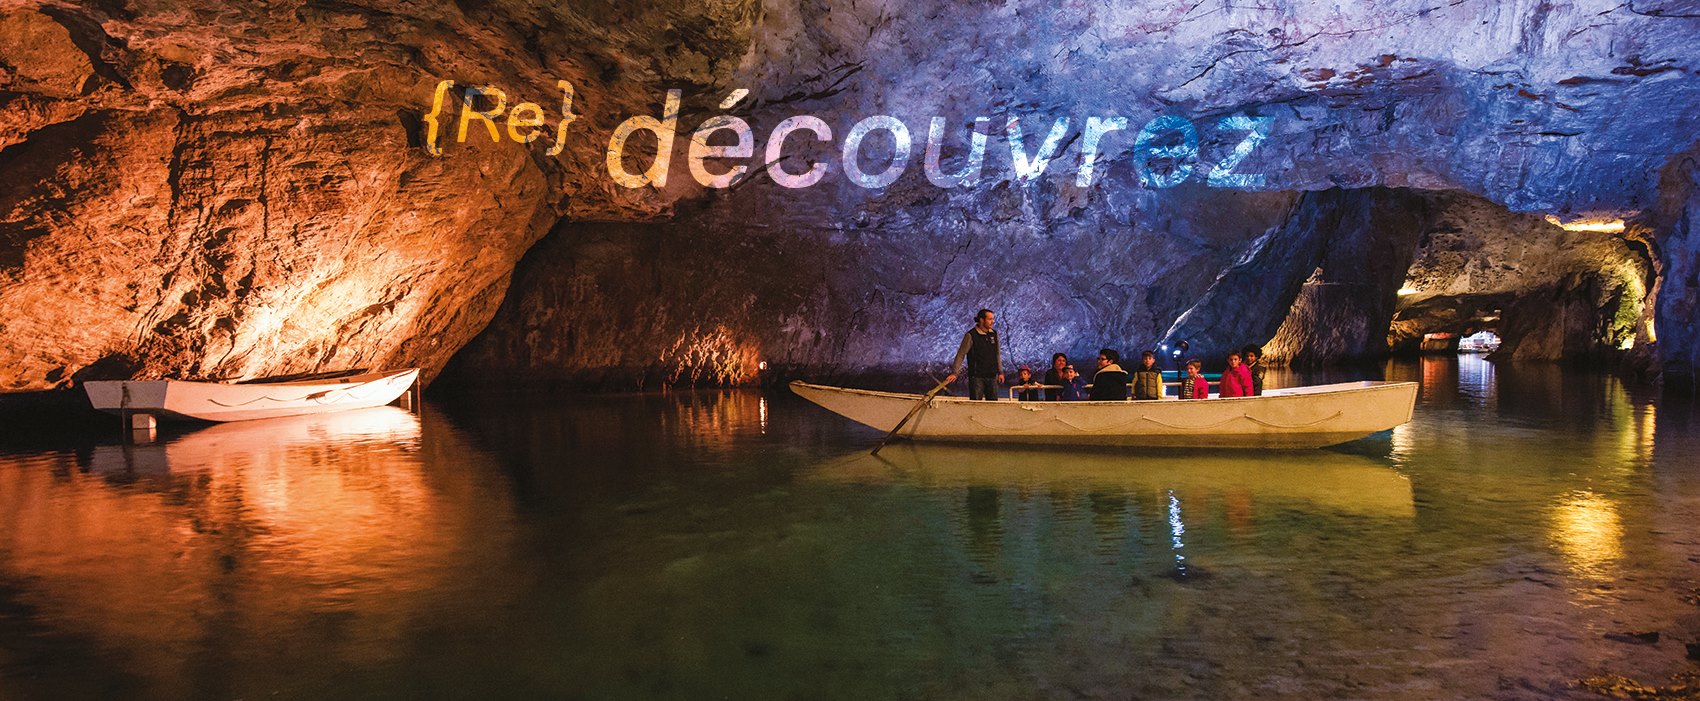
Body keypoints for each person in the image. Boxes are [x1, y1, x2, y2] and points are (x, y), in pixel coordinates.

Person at [945, 309, 1004, 401]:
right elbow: (961, 355)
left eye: (993, 319)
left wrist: (1000, 372)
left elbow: (997, 354)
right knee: (976, 403)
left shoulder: (994, 334)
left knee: (993, 404)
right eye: (990, 319)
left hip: (992, 376)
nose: (992, 322)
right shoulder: (971, 335)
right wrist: (955, 373)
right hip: (977, 377)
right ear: (981, 320)